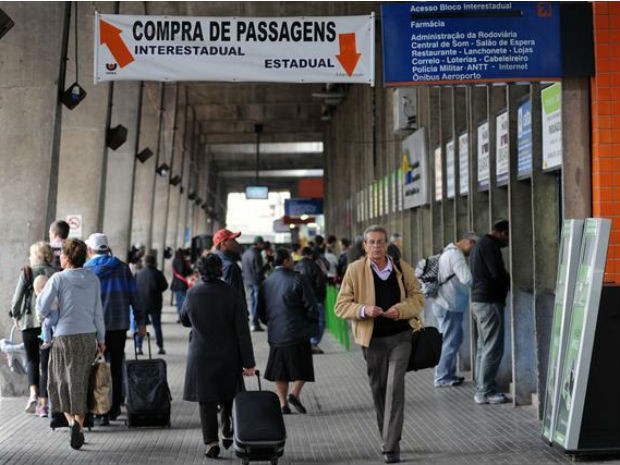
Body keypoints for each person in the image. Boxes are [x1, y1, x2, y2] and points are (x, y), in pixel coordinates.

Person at [335, 225, 424, 464]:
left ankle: (391, 446)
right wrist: (364, 310)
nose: (376, 246)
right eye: (371, 242)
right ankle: (389, 435)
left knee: (395, 387)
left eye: (380, 242)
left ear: (386, 244)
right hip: (371, 340)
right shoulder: (354, 270)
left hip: (400, 337)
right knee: (380, 389)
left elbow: (418, 297)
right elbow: (341, 306)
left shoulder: (402, 268)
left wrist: (401, 310)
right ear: (364, 246)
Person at [181, 253, 256, 459]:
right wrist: (249, 363)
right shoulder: (232, 294)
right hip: (228, 354)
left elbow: (184, 319)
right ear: (221, 271)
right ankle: (227, 428)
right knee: (227, 394)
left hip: (201, 354)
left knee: (206, 400)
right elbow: (242, 331)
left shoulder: (192, 293)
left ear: (200, 272)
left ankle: (211, 443)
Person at [36, 238, 106, 450]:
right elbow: (98, 312)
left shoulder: (58, 279)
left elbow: (41, 307)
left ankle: (72, 423)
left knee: (61, 382)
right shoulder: (93, 279)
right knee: (83, 382)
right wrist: (101, 340)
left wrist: (44, 310)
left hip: (64, 337)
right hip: (87, 336)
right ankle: (79, 424)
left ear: (65, 257)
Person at [84, 232, 145, 426]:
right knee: (116, 366)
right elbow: (135, 297)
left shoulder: (86, 270)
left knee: (95, 368)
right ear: (107, 247)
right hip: (118, 325)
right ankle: (116, 406)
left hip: (94, 328)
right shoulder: (122, 268)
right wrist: (141, 322)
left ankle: (99, 410)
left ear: (90, 250)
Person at [258, 248, 318, 415]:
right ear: (285, 261)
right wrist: (311, 321)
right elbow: (311, 306)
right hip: (297, 332)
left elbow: (261, 311)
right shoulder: (298, 278)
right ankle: (294, 393)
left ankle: (283, 404)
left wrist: (271, 323)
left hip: (276, 334)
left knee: (280, 370)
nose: (293, 262)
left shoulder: (266, 282)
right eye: (291, 259)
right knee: (303, 365)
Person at [10, 241, 57, 417]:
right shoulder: (55, 273)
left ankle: (33, 395)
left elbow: (17, 299)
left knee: (31, 360)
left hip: (28, 323)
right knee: (45, 364)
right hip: (49, 325)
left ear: (37, 255)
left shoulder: (27, 272)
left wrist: (16, 316)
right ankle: (44, 405)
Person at [469, 220, 511, 405]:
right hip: (489, 301)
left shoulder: (479, 245)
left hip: (478, 301)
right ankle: (485, 391)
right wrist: (507, 282)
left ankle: (482, 387)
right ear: (502, 233)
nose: (508, 242)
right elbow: (497, 273)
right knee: (493, 348)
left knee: (483, 347)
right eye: (508, 236)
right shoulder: (490, 246)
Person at [431, 232, 479, 388]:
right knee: (450, 341)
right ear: (467, 241)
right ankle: (442, 377)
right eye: (473, 246)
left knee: (452, 339)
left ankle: (448, 374)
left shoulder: (446, 252)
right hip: (449, 304)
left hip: (442, 302)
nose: (472, 251)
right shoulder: (456, 256)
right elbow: (467, 278)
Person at [295, 247, 327, 354]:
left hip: (301, 301)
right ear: (310, 254)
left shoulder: (296, 266)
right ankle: (313, 343)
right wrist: (321, 298)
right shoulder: (315, 266)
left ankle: (307, 343)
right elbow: (320, 283)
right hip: (316, 299)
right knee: (320, 321)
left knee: (305, 322)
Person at [135, 255, 169, 355]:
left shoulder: (138, 274)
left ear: (145, 262)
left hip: (141, 303)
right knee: (157, 325)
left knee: (141, 325)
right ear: (154, 262)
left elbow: (134, 287)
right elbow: (165, 286)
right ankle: (160, 347)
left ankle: (139, 347)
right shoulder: (158, 273)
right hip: (155, 303)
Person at [241, 235, 267, 332]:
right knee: (256, 303)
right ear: (259, 244)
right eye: (262, 244)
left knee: (252, 302)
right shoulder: (257, 254)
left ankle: (254, 322)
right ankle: (255, 323)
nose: (263, 246)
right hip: (256, 281)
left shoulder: (246, 253)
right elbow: (259, 270)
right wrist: (267, 267)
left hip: (248, 281)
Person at [212, 228, 245, 300]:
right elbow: (233, 296)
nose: (237, 243)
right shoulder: (229, 266)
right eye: (233, 240)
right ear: (223, 243)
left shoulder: (214, 261)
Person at [33, 275, 57, 350]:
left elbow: (39, 309)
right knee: (53, 327)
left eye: (36, 290)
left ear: (40, 289)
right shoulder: (54, 293)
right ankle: (54, 338)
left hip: (52, 314)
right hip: (57, 313)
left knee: (45, 326)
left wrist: (39, 318)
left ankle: (47, 341)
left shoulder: (41, 296)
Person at [171, 248, 193, 322]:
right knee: (183, 301)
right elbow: (181, 271)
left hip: (176, 284)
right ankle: (183, 317)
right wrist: (189, 270)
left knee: (179, 301)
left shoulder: (174, 260)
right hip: (181, 284)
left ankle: (180, 316)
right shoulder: (181, 261)